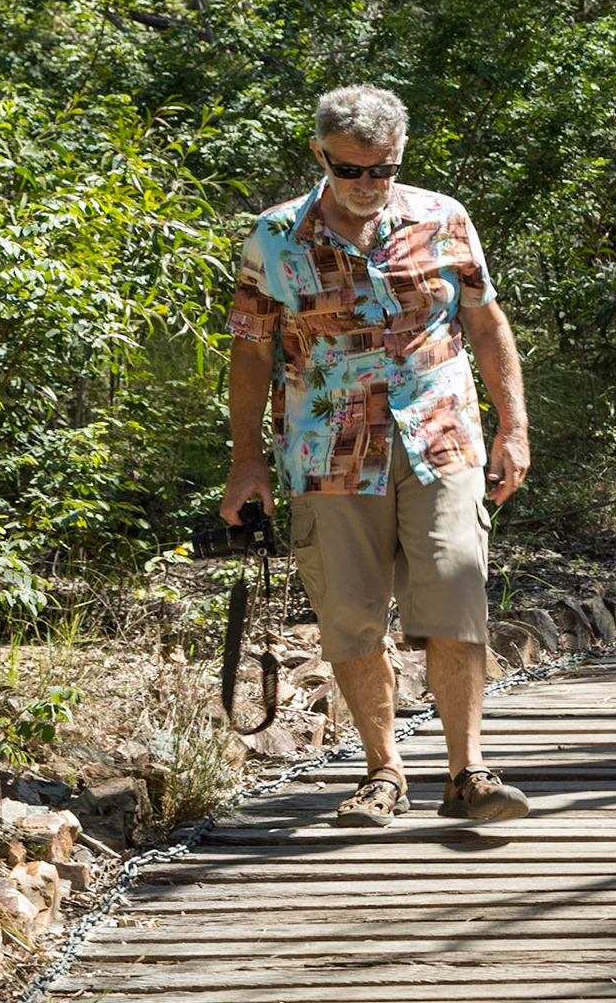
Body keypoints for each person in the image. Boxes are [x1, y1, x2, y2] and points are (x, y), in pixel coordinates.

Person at [220, 84, 532, 826]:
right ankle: (382, 772)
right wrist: (246, 461)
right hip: (327, 451)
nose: (367, 183)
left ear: (401, 155)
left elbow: (487, 325)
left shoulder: (443, 218)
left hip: (441, 439)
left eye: (382, 168)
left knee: (456, 599)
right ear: (319, 154)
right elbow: (251, 350)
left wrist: (514, 427)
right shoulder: (275, 237)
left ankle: (468, 772)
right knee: (351, 617)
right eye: (349, 169)